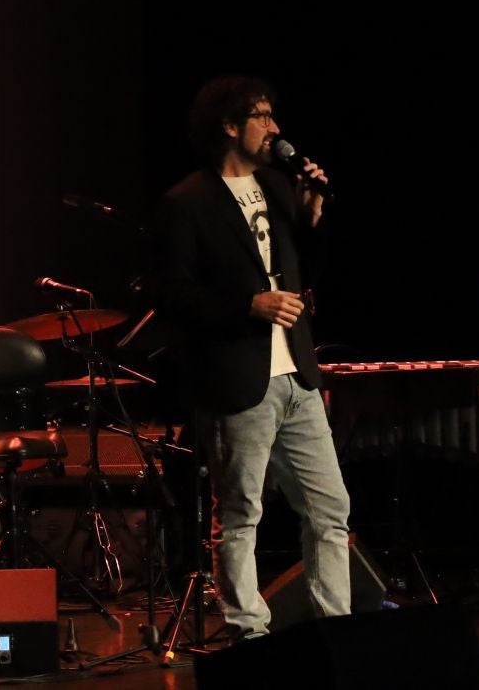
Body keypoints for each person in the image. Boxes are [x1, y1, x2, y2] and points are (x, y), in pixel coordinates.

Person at [153, 75, 351, 641]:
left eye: (272, 115)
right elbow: (173, 295)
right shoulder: (186, 202)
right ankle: (249, 632)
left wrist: (312, 213)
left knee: (330, 509)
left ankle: (335, 629)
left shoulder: (278, 187)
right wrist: (248, 305)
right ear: (229, 126)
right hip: (239, 381)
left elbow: (307, 277)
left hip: (297, 377)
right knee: (241, 515)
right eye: (261, 116)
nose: (274, 128)